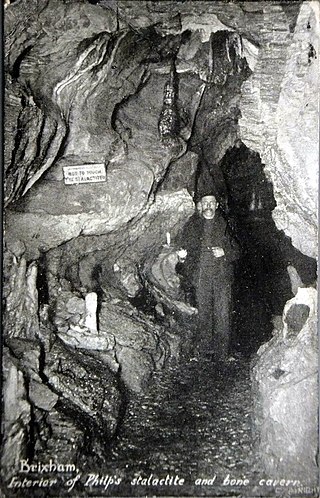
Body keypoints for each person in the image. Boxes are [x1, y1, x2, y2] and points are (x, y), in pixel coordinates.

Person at [178, 193, 239, 361]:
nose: (208, 205)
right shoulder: (192, 225)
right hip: (201, 276)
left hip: (221, 277)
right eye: (205, 203)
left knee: (222, 314)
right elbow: (184, 250)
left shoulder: (226, 225)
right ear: (200, 206)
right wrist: (182, 257)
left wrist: (225, 252)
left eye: (212, 202)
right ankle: (204, 352)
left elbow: (238, 250)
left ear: (217, 205)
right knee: (204, 314)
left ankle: (222, 354)